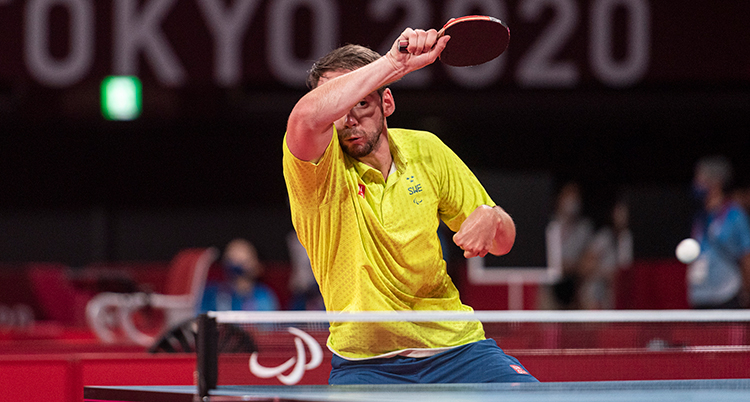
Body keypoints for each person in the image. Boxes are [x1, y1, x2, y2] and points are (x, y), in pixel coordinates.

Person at [282, 28, 538, 384]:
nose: (347, 121)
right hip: (366, 365)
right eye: (337, 108)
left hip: (457, 351)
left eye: (361, 104)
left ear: (387, 102)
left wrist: (491, 217)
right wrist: (393, 63)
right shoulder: (316, 171)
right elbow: (307, 118)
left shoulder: (426, 150)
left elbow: (504, 242)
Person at [687, 156, 750, 309]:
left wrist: (747, 291)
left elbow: (746, 255)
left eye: (699, 179)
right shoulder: (700, 216)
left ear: (715, 182)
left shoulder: (735, 215)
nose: (696, 184)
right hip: (700, 296)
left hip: (726, 294)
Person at [545, 181, 594, 309]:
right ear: (560, 198)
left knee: (591, 288)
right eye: (569, 194)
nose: (572, 200)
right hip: (551, 282)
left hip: (577, 281)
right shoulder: (549, 225)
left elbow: (587, 263)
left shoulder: (585, 228)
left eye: (576, 195)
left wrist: (570, 267)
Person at [579, 199, 633, 310]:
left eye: (624, 212)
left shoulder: (629, 238)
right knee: (594, 287)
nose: (621, 216)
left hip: (622, 288)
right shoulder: (605, 237)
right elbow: (584, 266)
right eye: (619, 212)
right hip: (599, 286)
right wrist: (605, 273)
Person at [199, 238, 279, 313]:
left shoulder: (263, 296)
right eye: (231, 259)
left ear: (258, 266)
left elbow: (268, 325)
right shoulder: (212, 294)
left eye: (244, 261)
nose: (237, 263)